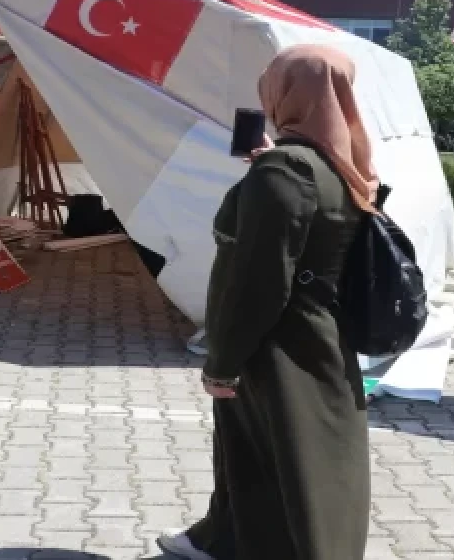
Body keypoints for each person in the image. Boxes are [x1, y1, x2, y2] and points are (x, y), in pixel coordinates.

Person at [158, 45, 374, 560]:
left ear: (285, 92)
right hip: (321, 334)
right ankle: (220, 539)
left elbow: (256, 280)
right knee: (267, 453)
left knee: (286, 458)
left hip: (279, 344)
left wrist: (223, 363)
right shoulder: (345, 165)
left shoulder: (287, 171)